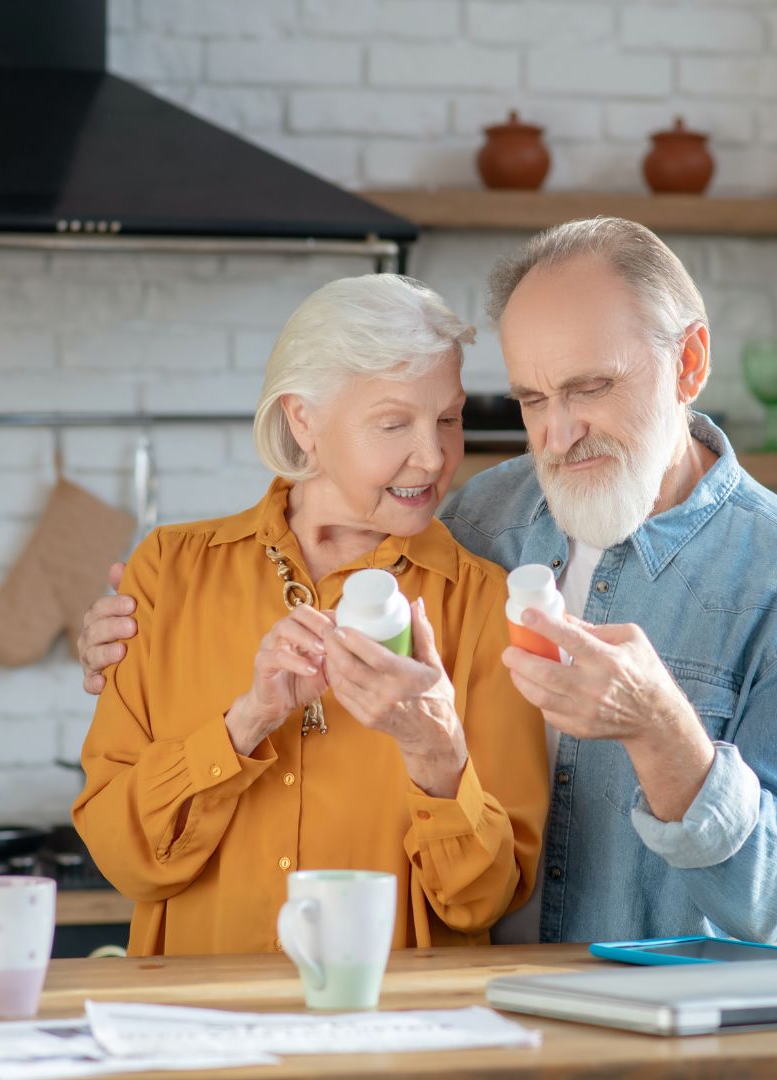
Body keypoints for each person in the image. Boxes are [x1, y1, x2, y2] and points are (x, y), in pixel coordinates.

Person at [78, 218, 777, 947]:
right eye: (531, 399)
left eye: (589, 388)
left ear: (688, 363)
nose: (556, 433)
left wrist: (662, 730)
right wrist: (143, 631)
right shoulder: (481, 517)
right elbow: (327, 538)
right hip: (493, 1023)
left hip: (662, 1030)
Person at [71, 274, 549, 957]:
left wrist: (435, 758)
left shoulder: (480, 605)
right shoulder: (168, 572)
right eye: (393, 423)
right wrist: (245, 724)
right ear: (304, 421)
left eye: (448, 417)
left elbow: (483, 899)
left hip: (393, 1039)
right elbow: (124, 859)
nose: (435, 455)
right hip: (201, 1034)